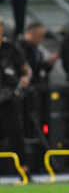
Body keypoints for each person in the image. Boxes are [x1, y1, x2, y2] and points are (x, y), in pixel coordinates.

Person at [0, 16, 32, 175]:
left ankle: (24, 170)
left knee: (16, 134)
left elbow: (26, 70)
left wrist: (25, 79)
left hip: (9, 98)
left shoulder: (10, 48)